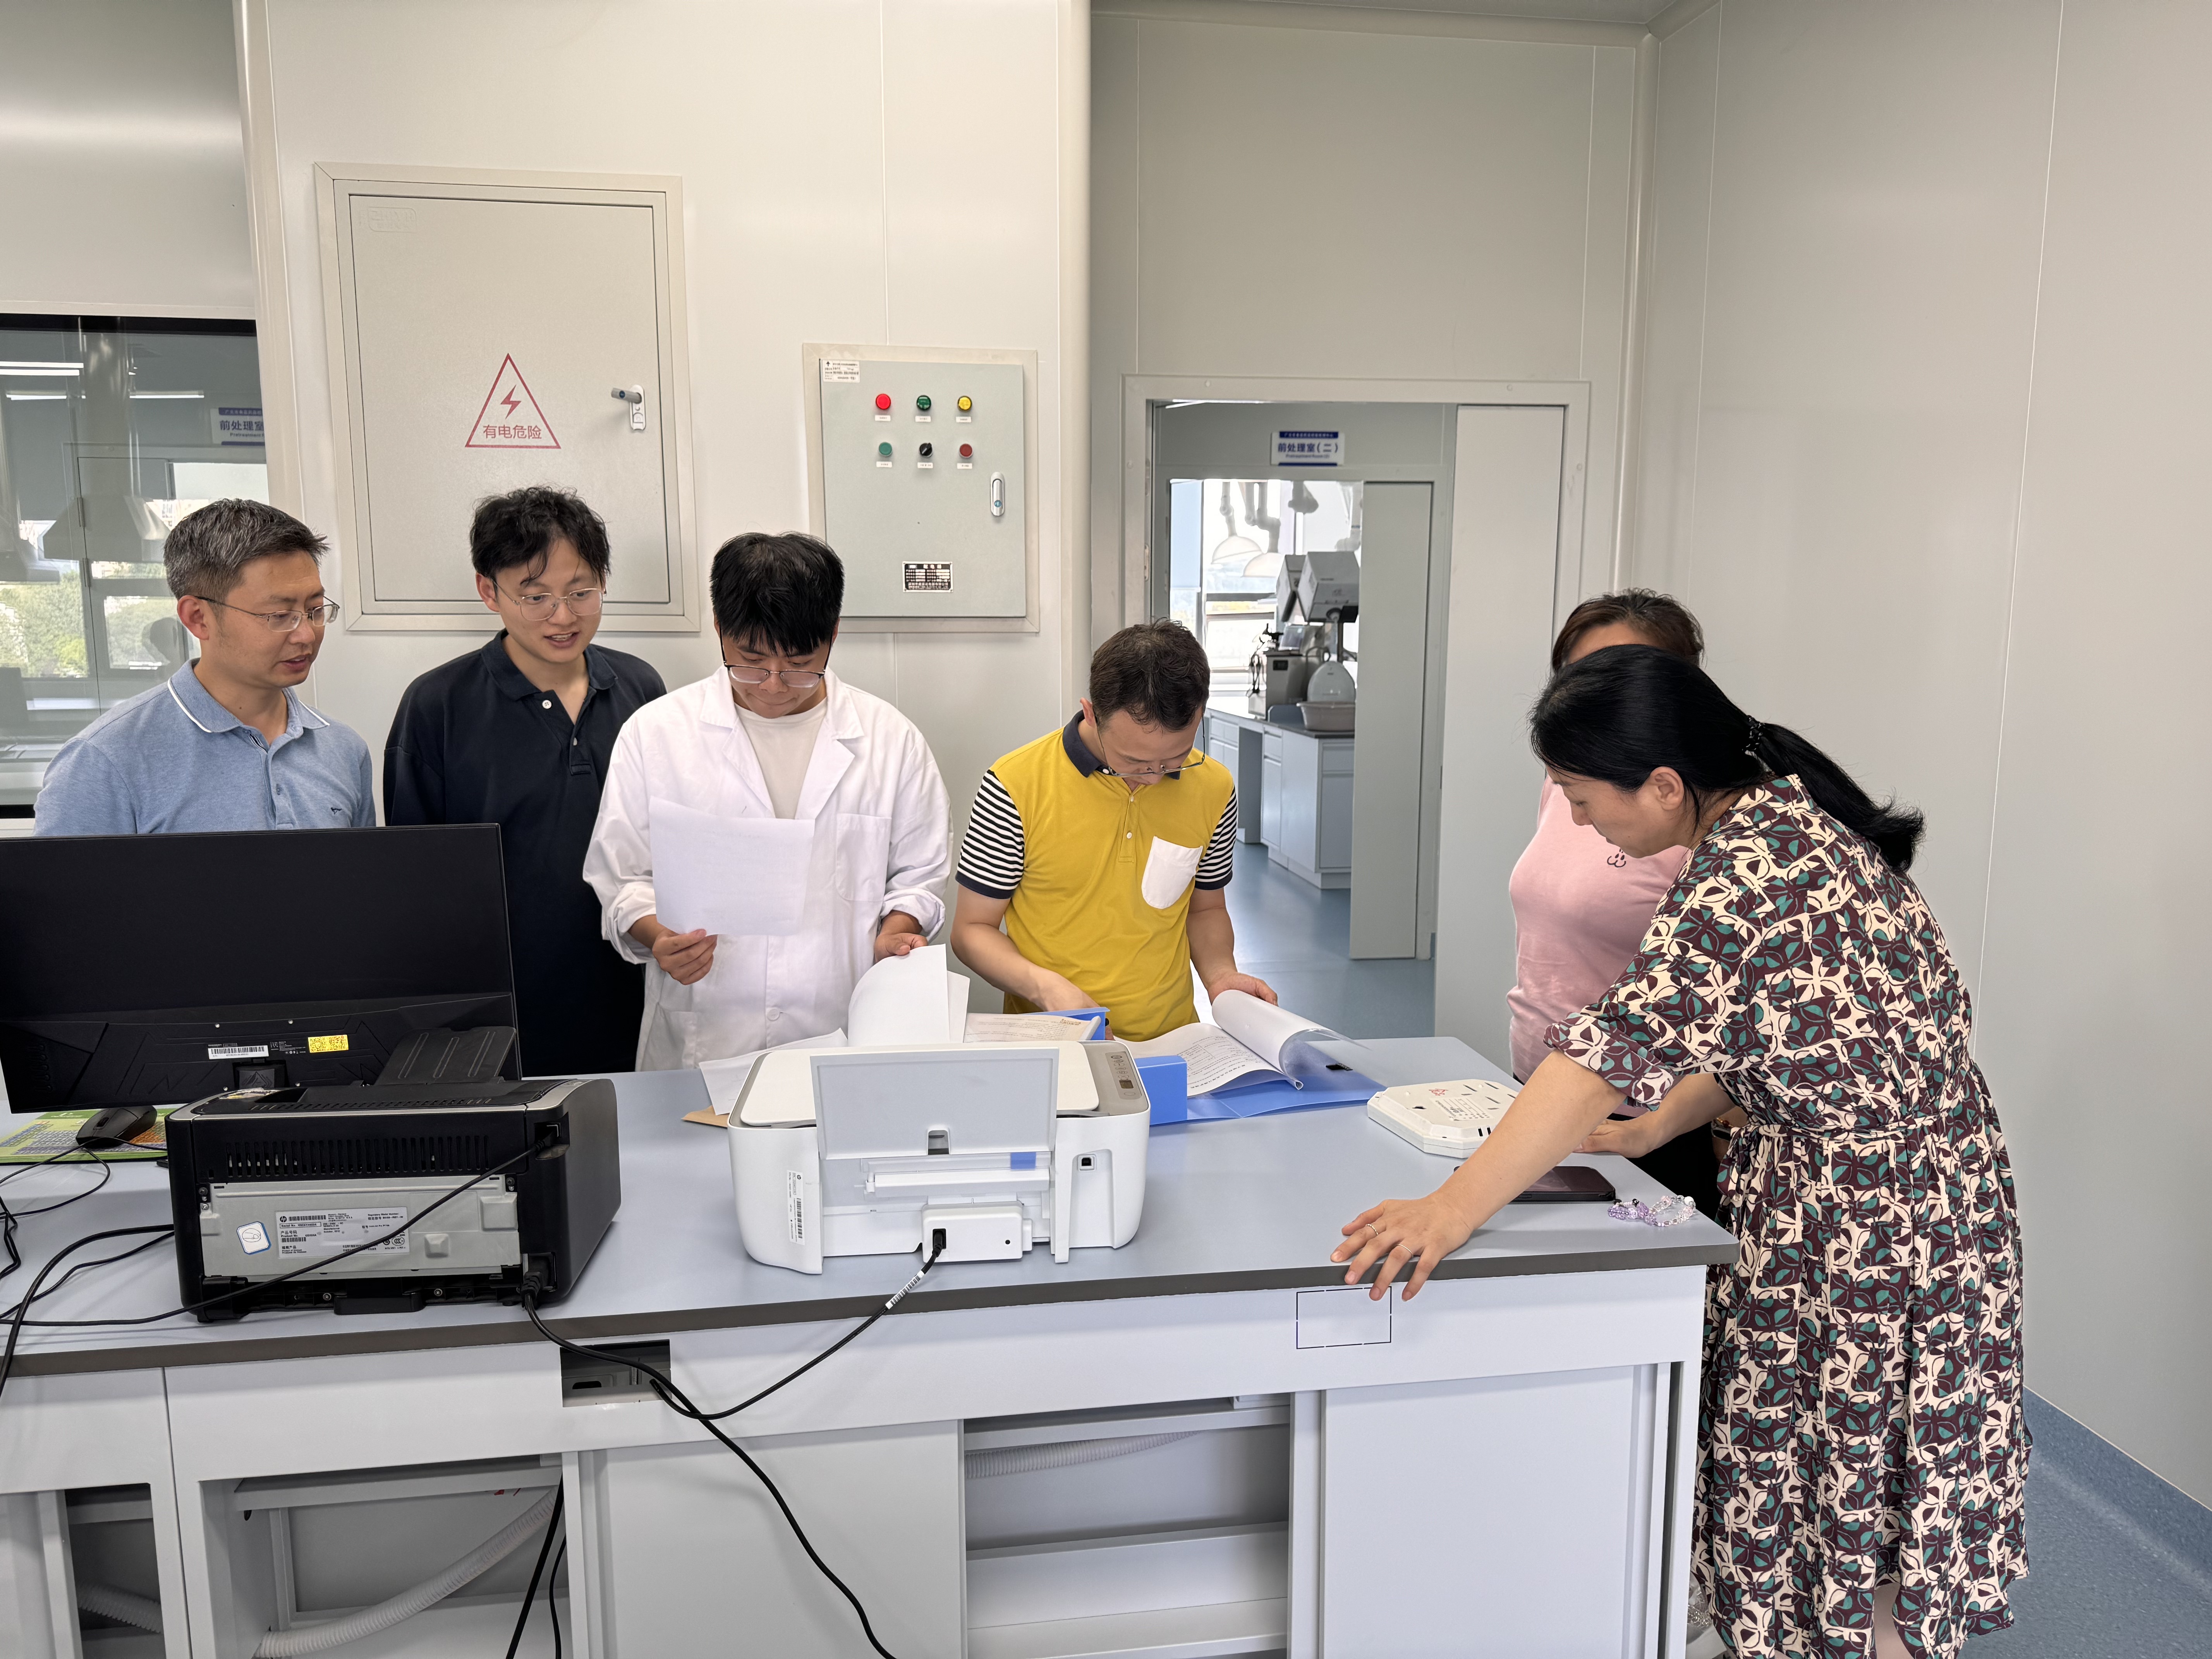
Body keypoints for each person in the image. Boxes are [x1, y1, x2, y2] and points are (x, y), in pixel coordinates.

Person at [1333, 644, 2026, 1659]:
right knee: (1868, 1476)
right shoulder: (1788, 817)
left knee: (1840, 1463)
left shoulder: (1745, 870)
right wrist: (1662, 1124)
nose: (1580, 821)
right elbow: (1789, 1030)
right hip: (1926, 1198)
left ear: (1664, 785)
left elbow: (1597, 1057)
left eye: (1582, 797)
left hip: (1866, 1224)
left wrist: (1451, 1208)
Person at [584, 531, 948, 1069]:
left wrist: (897, 932)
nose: (774, 686)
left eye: (800, 665)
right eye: (751, 663)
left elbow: (920, 877)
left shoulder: (891, 741)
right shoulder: (657, 734)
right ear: (720, 629)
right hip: (705, 1035)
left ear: (833, 634)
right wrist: (658, 937)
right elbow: (622, 877)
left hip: (839, 1030)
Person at [384, 487, 667, 1076]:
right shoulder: (437, 705)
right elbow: (415, 888)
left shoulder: (642, 691)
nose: (563, 617)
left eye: (581, 592)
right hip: (497, 1025)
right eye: (536, 597)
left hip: (632, 1000)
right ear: (489, 591)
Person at [951, 620, 1274, 1041]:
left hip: (1172, 1039)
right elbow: (972, 930)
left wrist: (1220, 977)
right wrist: (1045, 988)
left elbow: (1206, 909)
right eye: (1134, 761)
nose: (1154, 778)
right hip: (1054, 1036)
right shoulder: (1014, 785)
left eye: (1175, 759)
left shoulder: (1215, 787)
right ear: (1092, 714)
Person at [1509, 589, 1724, 1216]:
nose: (1591, 701)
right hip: (1544, 1087)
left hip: (1643, 1113)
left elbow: (1723, 1022)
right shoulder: (1572, 785)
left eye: (1616, 681)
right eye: (1577, 679)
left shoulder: (1711, 833)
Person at [34, 499, 374, 835]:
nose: (306, 635)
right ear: (198, 618)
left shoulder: (344, 750)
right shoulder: (103, 761)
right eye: (280, 616)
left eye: (315, 610)